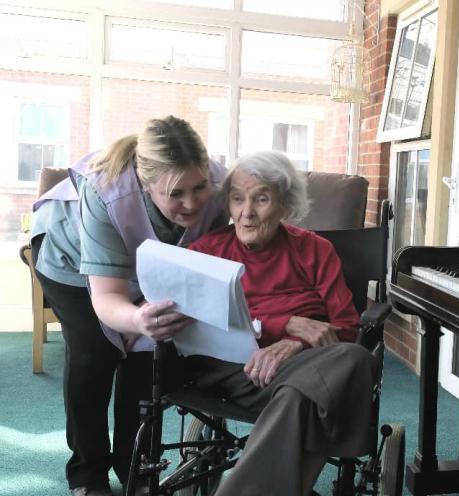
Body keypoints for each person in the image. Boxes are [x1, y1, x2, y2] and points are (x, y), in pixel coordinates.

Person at [30, 115, 227, 496]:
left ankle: (134, 466)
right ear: (145, 185)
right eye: (176, 194)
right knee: (96, 352)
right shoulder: (107, 190)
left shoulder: (219, 185)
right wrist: (137, 317)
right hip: (67, 257)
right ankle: (87, 473)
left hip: (146, 262)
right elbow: (106, 299)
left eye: (199, 187)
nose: (192, 203)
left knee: (148, 352)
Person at [182, 151, 377, 496]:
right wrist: (283, 324)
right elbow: (198, 325)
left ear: (285, 205)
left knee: (354, 358)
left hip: (309, 363)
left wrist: (295, 345)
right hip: (235, 369)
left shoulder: (315, 250)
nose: (246, 213)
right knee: (314, 393)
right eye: (237, 199)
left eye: (261, 199)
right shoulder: (207, 252)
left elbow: (346, 326)